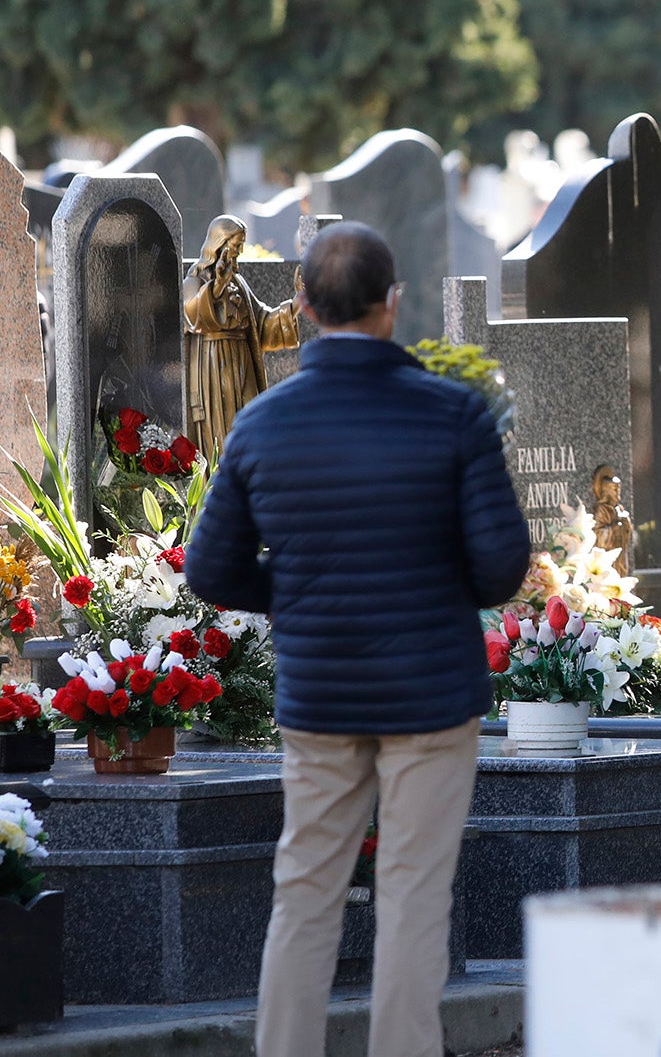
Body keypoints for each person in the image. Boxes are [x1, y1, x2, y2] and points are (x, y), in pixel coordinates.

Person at [184, 221, 531, 1057]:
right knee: (415, 898)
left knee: (304, 893)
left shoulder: (262, 424)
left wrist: (297, 598)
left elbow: (210, 568)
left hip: (322, 693)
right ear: (393, 304)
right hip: (431, 694)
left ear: (301, 307)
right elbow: (500, 566)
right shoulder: (453, 414)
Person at [183, 214, 302, 457]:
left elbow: (261, 326)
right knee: (220, 432)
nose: (238, 251)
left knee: (250, 424)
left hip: (242, 363)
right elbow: (192, 316)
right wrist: (216, 286)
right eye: (235, 245)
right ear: (219, 243)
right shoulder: (196, 279)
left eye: (241, 245)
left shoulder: (239, 282)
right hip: (212, 366)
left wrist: (297, 304)